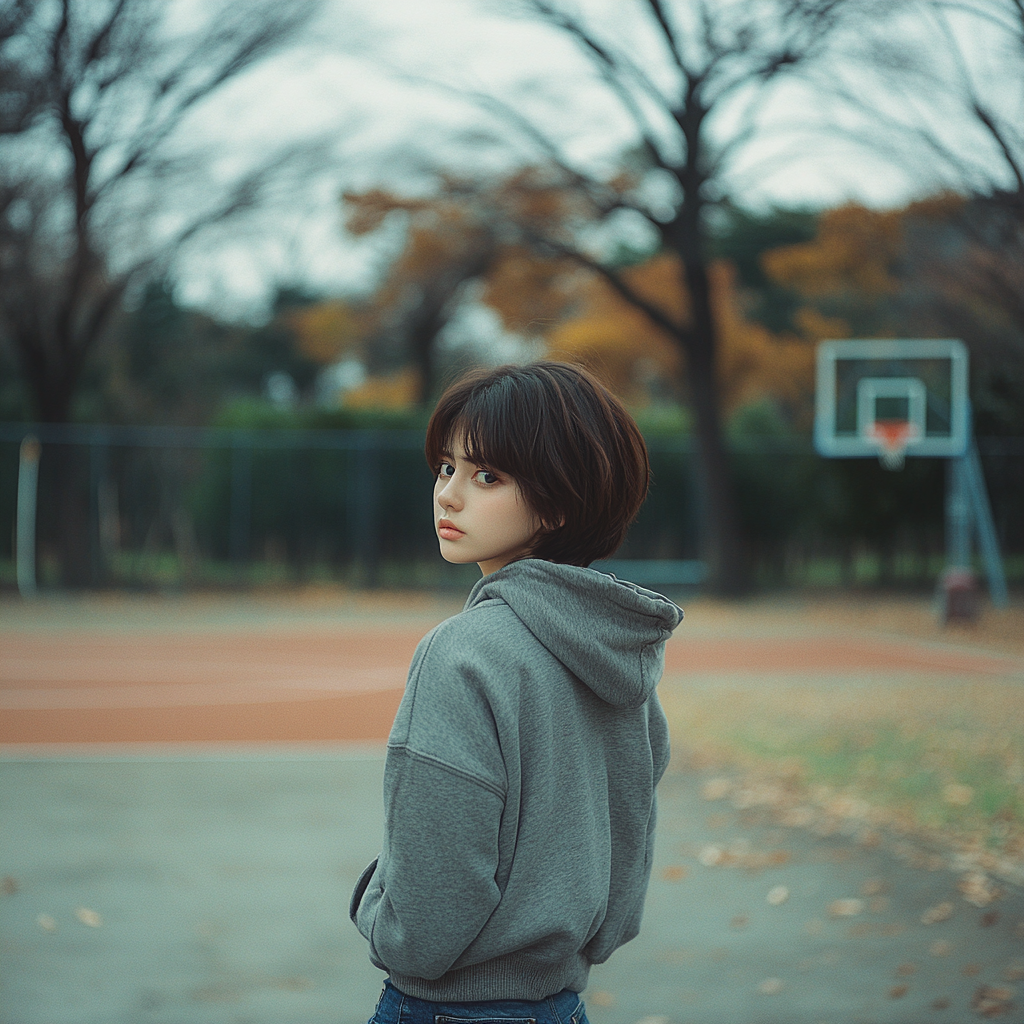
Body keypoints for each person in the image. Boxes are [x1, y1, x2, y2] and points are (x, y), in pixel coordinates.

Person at [350, 362, 684, 1024]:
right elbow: (628, 843)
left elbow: (429, 916)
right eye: (447, 468)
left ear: (557, 503)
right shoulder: (618, 653)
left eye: (487, 477)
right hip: (559, 1006)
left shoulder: (463, 653)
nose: (448, 495)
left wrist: (378, 909)